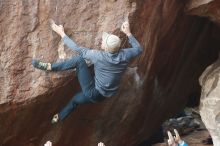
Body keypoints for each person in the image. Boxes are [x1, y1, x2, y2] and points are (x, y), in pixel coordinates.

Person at [32, 19, 142, 124]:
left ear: (106, 49)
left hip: (93, 92)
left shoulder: (98, 56)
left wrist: (62, 33)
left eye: (104, 40)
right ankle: (59, 118)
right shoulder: (125, 54)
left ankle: (50, 67)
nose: (102, 40)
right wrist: (128, 33)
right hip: (105, 95)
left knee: (79, 61)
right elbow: (138, 49)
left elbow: (77, 49)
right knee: (75, 100)